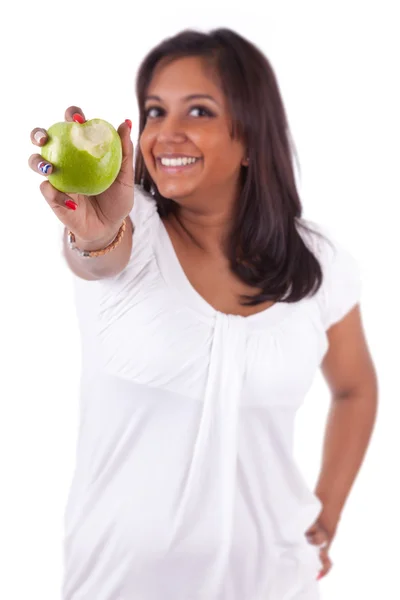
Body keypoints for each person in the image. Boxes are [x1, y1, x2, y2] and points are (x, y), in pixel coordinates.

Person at [29, 28, 378, 600]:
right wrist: (92, 233)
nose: (167, 132)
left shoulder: (319, 264)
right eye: (155, 111)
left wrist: (329, 514)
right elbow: (96, 259)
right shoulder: (125, 229)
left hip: (275, 584)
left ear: (250, 134)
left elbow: (355, 387)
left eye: (199, 110)